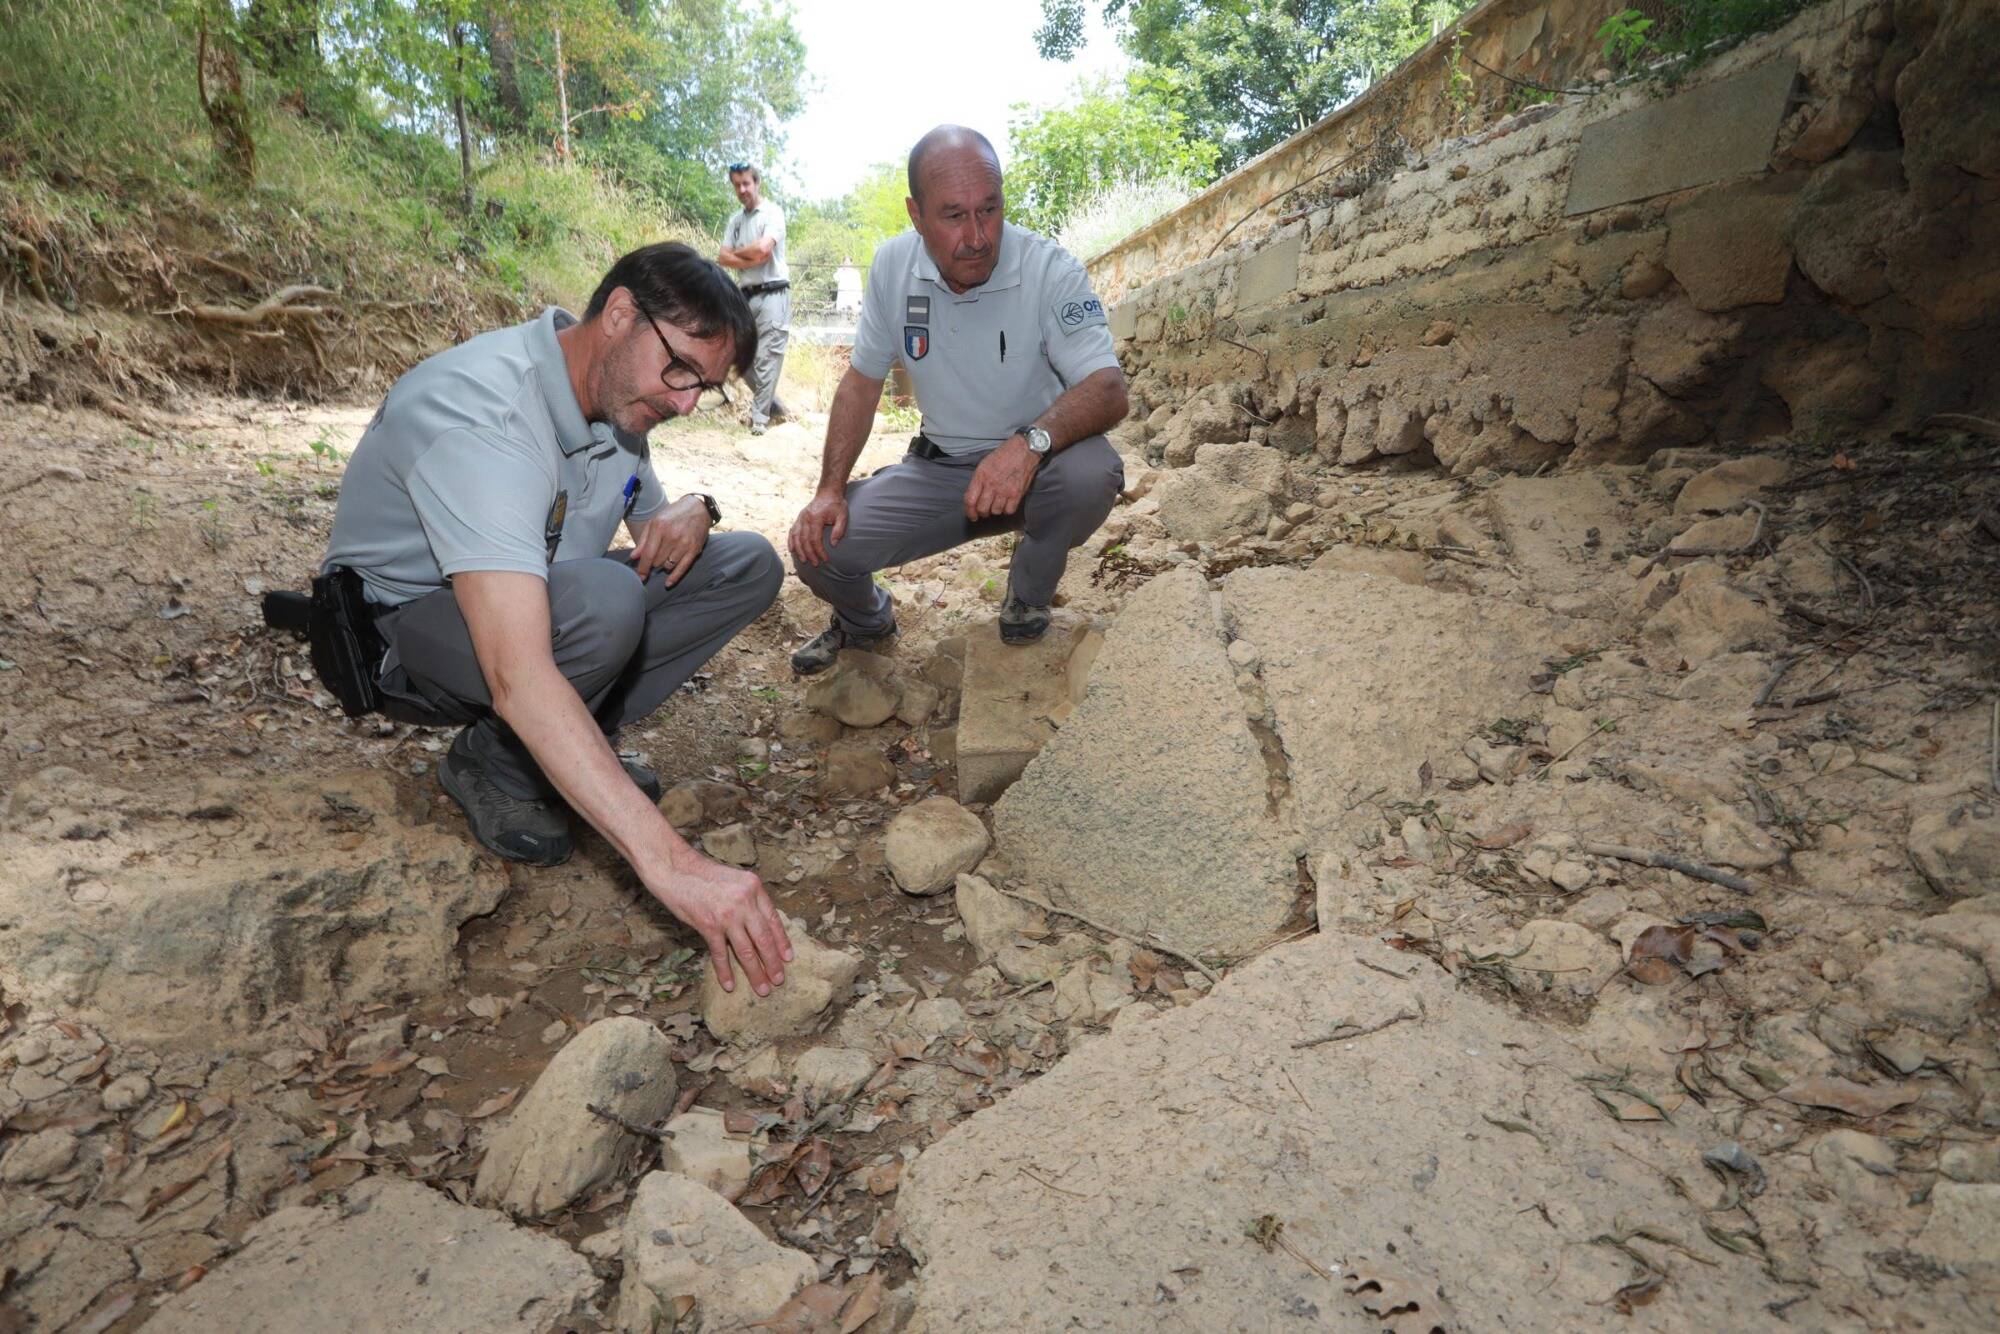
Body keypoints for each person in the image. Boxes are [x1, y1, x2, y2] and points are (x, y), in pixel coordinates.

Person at [321, 242, 793, 997]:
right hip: (405, 633)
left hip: (529, 603)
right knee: (608, 606)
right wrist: (672, 864)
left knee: (747, 565)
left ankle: (571, 755)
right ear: (618, 316)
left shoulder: (618, 403)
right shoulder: (484, 415)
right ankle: (496, 763)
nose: (684, 405)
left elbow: (651, 531)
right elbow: (520, 673)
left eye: (705, 388)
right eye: (681, 373)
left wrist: (697, 510)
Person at [786, 125, 1128, 672]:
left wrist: (1027, 446)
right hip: (940, 472)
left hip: (1043, 464)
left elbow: (1109, 389)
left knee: (1092, 475)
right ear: (916, 215)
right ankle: (866, 622)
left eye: (989, 210)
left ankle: (1028, 591)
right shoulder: (892, 268)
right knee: (818, 545)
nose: (977, 236)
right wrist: (829, 489)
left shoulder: (1049, 268)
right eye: (953, 216)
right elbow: (861, 382)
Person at [715, 162, 791, 435]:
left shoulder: (773, 213)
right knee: (740, 356)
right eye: (737, 185)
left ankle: (759, 422)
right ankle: (773, 405)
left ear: (757, 183)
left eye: (746, 183)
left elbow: (764, 250)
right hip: (745, 296)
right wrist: (749, 256)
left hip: (774, 293)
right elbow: (722, 257)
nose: (742, 189)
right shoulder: (735, 221)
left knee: (767, 357)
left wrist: (738, 257)